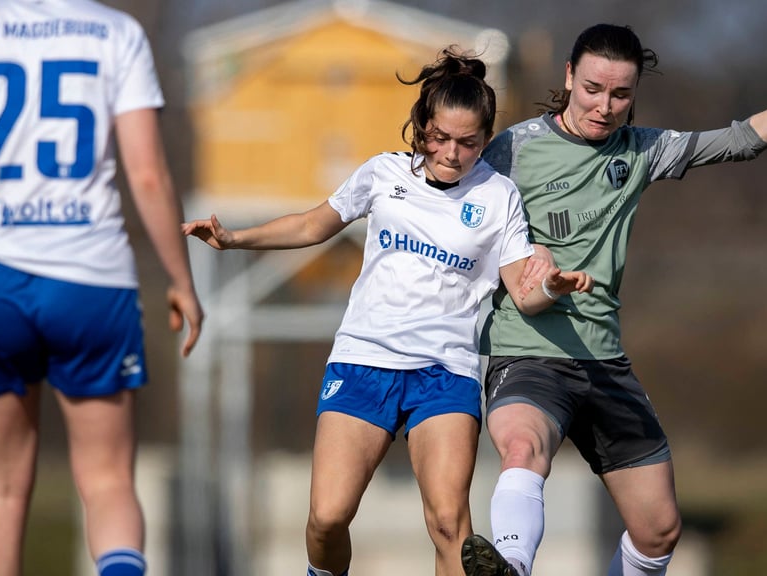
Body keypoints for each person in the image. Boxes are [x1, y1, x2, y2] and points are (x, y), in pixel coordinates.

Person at [459, 23, 767, 576]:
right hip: (527, 351)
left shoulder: (643, 149)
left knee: (658, 530)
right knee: (522, 449)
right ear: (569, 78)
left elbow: (738, 141)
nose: (605, 106)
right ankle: (510, 565)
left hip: (603, 360)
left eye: (621, 94)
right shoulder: (513, 150)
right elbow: (453, 211)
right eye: (593, 89)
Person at [183, 47, 593, 576]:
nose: (452, 153)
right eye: (441, 138)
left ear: (485, 141)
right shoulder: (383, 174)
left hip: (445, 373)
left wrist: (554, 287)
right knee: (326, 520)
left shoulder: (499, 196)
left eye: (468, 143)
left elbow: (523, 292)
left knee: (450, 524)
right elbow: (313, 225)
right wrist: (234, 238)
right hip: (363, 361)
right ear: (421, 128)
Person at [0, 1, 205, 575]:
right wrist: (180, 280)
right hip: (89, 278)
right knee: (108, 479)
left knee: (0, 489)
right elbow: (147, 173)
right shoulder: (115, 32)